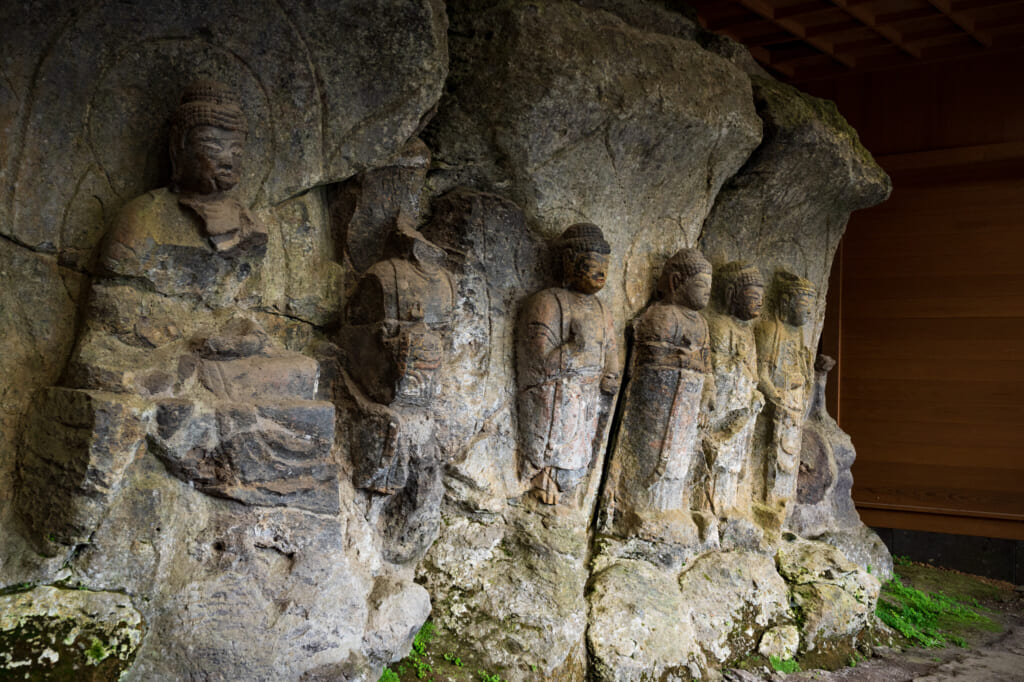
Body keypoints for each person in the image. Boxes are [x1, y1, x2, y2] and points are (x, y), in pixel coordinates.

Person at [517, 223, 620, 505]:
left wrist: (611, 372)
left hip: (589, 395)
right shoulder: (548, 302)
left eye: (605, 266)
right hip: (556, 393)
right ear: (569, 262)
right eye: (592, 264)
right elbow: (537, 365)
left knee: (582, 448)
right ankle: (544, 477)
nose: (601, 272)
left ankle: (568, 483)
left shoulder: (602, 309)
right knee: (562, 409)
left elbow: (610, 349)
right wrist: (576, 348)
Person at [703, 261, 765, 518]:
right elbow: (714, 367)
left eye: (761, 298)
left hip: (743, 405)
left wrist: (755, 391)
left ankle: (728, 505)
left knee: (735, 463)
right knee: (717, 459)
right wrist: (733, 363)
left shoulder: (748, 333)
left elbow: (753, 372)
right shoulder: (717, 325)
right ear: (731, 294)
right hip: (723, 405)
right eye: (753, 297)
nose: (759, 304)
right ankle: (709, 505)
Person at [755, 271, 816, 508]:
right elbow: (761, 374)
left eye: (811, 306)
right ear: (785, 303)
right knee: (774, 455)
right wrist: (775, 396)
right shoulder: (771, 330)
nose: (808, 312)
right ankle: (768, 499)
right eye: (803, 305)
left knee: (790, 455)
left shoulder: (799, 335)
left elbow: (802, 371)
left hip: (795, 402)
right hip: (778, 403)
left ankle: (781, 501)